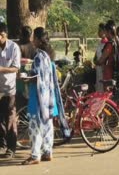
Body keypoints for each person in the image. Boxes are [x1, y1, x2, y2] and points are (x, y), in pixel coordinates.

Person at [21, 27, 69, 165]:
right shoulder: (48, 56)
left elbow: (37, 77)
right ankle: (47, 152)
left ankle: (35, 155)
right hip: (49, 98)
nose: (32, 40)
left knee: (34, 127)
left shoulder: (38, 57)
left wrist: (26, 78)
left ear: (36, 39)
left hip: (38, 98)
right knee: (47, 126)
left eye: (33, 38)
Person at [0, 23, 21, 159]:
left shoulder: (13, 47)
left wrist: (1, 69)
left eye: (0, 36)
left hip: (9, 90)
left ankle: (11, 148)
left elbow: (16, 67)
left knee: (10, 119)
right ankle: (2, 144)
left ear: (5, 35)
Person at [93, 23, 108, 92]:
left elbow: (105, 57)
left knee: (103, 87)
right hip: (98, 68)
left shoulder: (107, 43)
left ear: (105, 31)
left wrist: (98, 62)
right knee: (98, 85)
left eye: (100, 31)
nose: (98, 32)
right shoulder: (100, 42)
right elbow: (96, 55)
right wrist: (94, 60)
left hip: (104, 69)